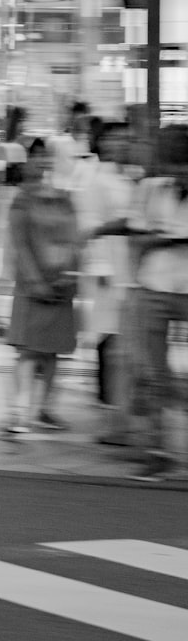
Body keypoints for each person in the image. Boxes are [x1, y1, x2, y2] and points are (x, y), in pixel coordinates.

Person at [2, 138, 81, 434]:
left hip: (60, 285)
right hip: (32, 286)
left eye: (46, 157)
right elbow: (19, 244)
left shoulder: (64, 197)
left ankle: (43, 409)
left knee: (51, 352)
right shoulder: (22, 199)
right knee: (28, 351)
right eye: (36, 157)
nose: (42, 162)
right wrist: (35, 280)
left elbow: (74, 238)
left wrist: (70, 274)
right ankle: (18, 412)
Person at [125, 125, 188, 480]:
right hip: (154, 286)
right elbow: (138, 233)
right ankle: (156, 448)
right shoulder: (151, 189)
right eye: (170, 158)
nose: (176, 169)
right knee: (153, 372)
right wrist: (160, 239)